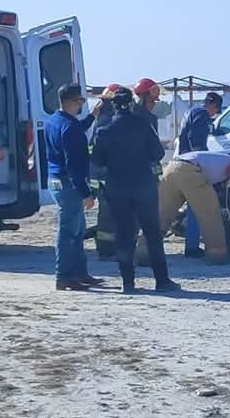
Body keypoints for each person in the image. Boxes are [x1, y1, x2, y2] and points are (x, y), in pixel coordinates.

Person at [92, 87, 180, 293]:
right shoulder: (143, 124)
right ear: (131, 103)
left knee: (123, 234)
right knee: (152, 234)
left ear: (113, 106)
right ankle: (162, 280)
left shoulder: (103, 130)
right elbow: (157, 153)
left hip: (117, 187)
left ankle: (128, 283)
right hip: (143, 186)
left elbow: (97, 160)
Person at [46, 84, 104, 291]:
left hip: (56, 180)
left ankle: (79, 273)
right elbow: (74, 165)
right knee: (69, 231)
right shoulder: (70, 128)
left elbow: (76, 128)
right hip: (69, 184)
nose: (81, 104)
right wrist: (85, 193)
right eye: (80, 101)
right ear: (72, 101)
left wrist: (92, 116)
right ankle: (64, 276)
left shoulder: (54, 121)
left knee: (77, 229)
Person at [159, 150, 230, 265]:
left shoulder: (212, 160)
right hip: (189, 170)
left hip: (170, 168)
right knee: (210, 213)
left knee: (162, 214)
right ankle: (217, 253)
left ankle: (145, 251)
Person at [176, 92, 223, 258]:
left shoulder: (192, 111)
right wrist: (201, 159)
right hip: (191, 163)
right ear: (213, 105)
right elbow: (194, 138)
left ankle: (191, 244)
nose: (214, 114)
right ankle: (192, 247)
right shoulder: (201, 114)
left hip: (181, 162)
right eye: (216, 110)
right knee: (196, 206)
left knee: (190, 206)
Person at [89, 83, 124, 261]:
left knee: (107, 213)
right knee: (108, 214)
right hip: (105, 176)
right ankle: (105, 249)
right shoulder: (108, 121)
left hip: (99, 175)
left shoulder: (100, 120)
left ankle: (107, 247)